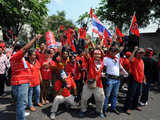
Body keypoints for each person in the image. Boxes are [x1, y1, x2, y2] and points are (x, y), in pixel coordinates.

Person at [10, 34, 42, 120]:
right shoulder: (16, 56)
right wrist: (35, 38)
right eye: (23, 49)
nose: (25, 52)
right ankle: (21, 117)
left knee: (22, 103)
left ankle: (21, 114)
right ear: (19, 49)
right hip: (20, 84)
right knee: (22, 103)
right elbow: (25, 48)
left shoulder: (20, 58)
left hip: (23, 83)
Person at [79, 49, 105, 118]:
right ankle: (83, 110)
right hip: (89, 82)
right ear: (93, 55)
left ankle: (99, 111)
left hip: (99, 83)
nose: (97, 55)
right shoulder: (90, 60)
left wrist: (102, 74)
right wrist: (88, 44)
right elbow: (86, 53)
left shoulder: (102, 62)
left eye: (98, 54)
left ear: (100, 55)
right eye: (96, 54)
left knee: (101, 98)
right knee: (84, 97)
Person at [103, 45, 127, 116]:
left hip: (117, 79)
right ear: (109, 51)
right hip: (110, 79)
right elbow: (103, 68)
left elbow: (121, 48)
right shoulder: (106, 58)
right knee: (107, 95)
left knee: (115, 95)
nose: (114, 52)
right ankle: (104, 109)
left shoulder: (117, 56)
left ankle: (113, 108)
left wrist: (122, 42)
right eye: (112, 50)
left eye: (115, 51)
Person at [124, 47, 146, 115]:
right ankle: (127, 108)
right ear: (137, 53)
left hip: (140, 80)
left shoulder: (142, 61)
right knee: (130, 94)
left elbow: (142, 71)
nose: (141, 54)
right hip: (134, 80)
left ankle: (135, 106)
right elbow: (129, 59)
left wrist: (144, 79)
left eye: (142, 53)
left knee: (138, 94)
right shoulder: (134, 59)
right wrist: (134, 50)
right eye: (140, 53)